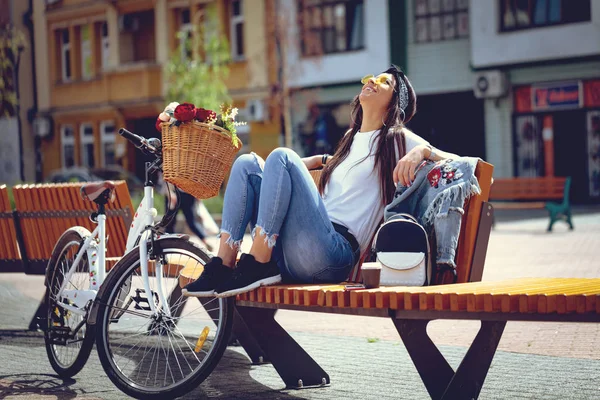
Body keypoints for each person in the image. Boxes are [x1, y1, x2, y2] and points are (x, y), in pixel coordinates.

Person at [182, 65, 458, 298]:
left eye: (384, 82)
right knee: (247, 163)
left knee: (282, 156)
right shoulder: (350, 140)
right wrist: (318, 160)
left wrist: (421, 152)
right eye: (373, 77)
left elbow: (463, 163)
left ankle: (257, 263)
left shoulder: (397, 138)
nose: (373, 81)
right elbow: (298, 172)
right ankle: (224, 263)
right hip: (300, 248)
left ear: (395, 102)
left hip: (334, 254)